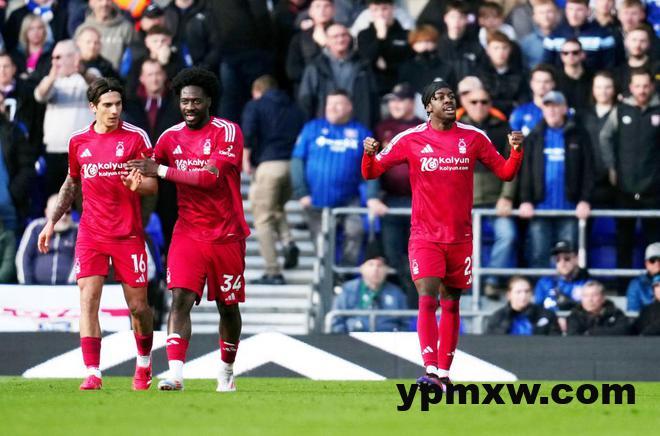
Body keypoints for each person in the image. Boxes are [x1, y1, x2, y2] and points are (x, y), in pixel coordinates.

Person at [362, 79, 524, 389]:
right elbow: (371, 172)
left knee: (451, 304)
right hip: (425, 236)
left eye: (451, 96)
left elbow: (505, 172)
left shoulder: (474, 137)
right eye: (440, 97)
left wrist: (516, 152)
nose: (448, 101)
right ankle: (431, 369)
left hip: (460, 237)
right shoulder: (410, 139)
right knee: (427, 298)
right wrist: (369, 154)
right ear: (428, 107)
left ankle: (444, 375)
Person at [127, 67, 249, 392]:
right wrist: (135, 181)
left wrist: (160, 170)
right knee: (179, 297)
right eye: (184, 101)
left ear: (209, 100)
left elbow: (209, 178)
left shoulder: (228, 132)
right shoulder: (169, 137)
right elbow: (148, 172)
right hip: (188, 232)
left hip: (226, 233)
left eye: (196, 101)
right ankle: (176, 374)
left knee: (228, 306)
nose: (190, 107)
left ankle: (226, 369)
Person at [37, 77, 157, 391]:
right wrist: (52, 222)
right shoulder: (78, 141)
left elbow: (152, 184)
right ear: (93, 107)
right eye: (107, 105)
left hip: (128, 234)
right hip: (91, 234)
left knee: (138, 307)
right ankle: (93, 372)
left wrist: (137, 185)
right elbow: (71, 182)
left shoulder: (135, 137)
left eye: (118, 104)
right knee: (88, 300)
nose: (114, 110)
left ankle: (144, 362)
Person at [292, 89, 370, 266]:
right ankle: (328, 275)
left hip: (350, 199)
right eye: (329, 104)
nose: (332, 108)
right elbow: (297, 161)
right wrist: (301, 192)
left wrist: (371, 196)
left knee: (355, 232)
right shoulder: (312, 128)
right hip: (316, 201)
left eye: (338, 104)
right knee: (323, 245)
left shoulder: (362, 133)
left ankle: (345, 273)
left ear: (349, 107)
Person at [518, 90, 593, 268]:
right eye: (548, 106)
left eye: (556, 106)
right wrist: (525, 200)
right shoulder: (534, 136)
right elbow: (525, 172)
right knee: (539, 255)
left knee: (568, 258)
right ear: (543, 109)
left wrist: (585, 200)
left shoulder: (579, 135)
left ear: (565, 109)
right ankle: (540, 287)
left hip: (570, 209)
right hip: (540, 209)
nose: (552, 110)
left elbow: (588, 171)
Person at [242, 75, 305, 285]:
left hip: (268, 165)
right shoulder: (295, 108)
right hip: (293, 166)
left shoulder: (256, 105)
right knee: (275, 208)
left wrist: (245, 159)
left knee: (262, 218)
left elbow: (248, 133)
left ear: (257, 90)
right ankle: (288, 242)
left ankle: (272, 271)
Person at [367, 83, 422, 308]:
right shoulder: (382, 128)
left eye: (400, 100)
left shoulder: (424, 128)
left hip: (420, 201)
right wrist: (372, 196)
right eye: (392, 100)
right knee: (392, 252)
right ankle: (408, 299)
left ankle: (417, 301)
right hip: (390, 200)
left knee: (418, 253)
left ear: (411, 102)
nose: (395, 105)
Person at [458, 87, 518, 297]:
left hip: (495, 201)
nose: (479, 106)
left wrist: (506, 197)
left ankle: (491, 280)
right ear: (465, 104)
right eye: (474, 102)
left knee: (508, 235)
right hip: (463, 202)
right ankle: (464, 283)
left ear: (490, 104)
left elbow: (512, 166)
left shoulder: (504, 129)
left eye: (484, 101)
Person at [599, 68, 660, 270]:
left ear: (652, 86)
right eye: (638, 86)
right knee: (623, 242)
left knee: (655, 245)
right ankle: (622, 284)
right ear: (631, 87)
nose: (642, 90)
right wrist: (611, 167)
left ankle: (656, 285)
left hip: (654, 191)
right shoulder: (620, 110)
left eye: (646, 86)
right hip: (624, 189)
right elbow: (605, 137)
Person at [34, 39, 94, 197]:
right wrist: (52, 77)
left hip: (84, 152)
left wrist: (82, 72)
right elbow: (40, 95)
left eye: (59, 57)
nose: (54, 61)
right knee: (57, 199)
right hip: (55, 151)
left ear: (75, 57)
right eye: (53, 57)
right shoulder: (52, 80)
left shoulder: (88, 75)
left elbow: (100, 89)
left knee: (84, 200)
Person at [298, 23, 379, 128]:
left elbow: (373, 97)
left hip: (358, 126)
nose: (340, 39)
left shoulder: (363, 65)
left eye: (344, 35)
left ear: (349, 38)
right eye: (335, 36)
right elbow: (306, 100)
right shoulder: (315, 66)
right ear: (327, 40)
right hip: (324, 127)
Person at [331, 241, 409, 333]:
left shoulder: (396, 293)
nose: (375, 269)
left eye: (380, 265)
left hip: (388, 339)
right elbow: (336, 322)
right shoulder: (349, 290)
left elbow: (405, 324)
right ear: (362, 268)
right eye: (371, 264)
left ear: (387, 270)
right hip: (353, 338)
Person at [16, 193, 77, 285]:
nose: (64, 216)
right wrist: (27, 286)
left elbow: (79, 261)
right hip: (34, 288)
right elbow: (23, 256)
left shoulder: (77, 231)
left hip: (68, 289)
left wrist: (70, 286)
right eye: (59, 212)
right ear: (47, 212)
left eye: (67, 212)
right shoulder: (35, 228)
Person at [356, 0, 411, 95]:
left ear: (392, 8)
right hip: (374, 89)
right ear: (370, 11)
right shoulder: (364, 35)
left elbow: (407, 61)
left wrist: (387, 65)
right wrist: (380, 38)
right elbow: (367, 59)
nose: (380, 13)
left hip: (401, 87)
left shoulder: (406, 34)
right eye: (375, 10)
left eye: (384, 9)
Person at [542, 0, 616, 71]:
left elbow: (609, 67)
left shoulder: (603, 36)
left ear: (588, 11)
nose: (574, 15)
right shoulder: (554, 36)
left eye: (579, 10)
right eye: (570, 9)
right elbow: (547, 66)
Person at [582, 71, 617, 208]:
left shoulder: (622, 113)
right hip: (586, 179)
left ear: (614, 89)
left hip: (614, 180)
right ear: (593, 89)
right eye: (599, 87)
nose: (603, 92)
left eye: (607, 87)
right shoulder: (583, 115)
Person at [486, 276, 560, 335]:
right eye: (518, 292)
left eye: (527, 291)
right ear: (509, 295)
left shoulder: (547, 315)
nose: (523, 296)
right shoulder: (498, 318)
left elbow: (555, 341)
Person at [76, 0, 137, 69]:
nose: (104, 3)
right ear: (91, 2)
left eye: (108, 0)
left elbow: (136, 55)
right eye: (100, 0)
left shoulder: (126, 28)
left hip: (116, 74)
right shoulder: (82, 29)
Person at [534, 240, 590, 311]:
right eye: (557, 259)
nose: (562, 263)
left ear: (576, 259)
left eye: (567, 258)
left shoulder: (586, 284)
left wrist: (571, 304)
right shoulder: (544, 283)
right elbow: (537, 310)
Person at [566, 280, 631, 335]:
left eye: (594, 295)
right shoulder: (576, 315)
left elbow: (623, 331)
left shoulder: (615, 313)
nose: (590, 299)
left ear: (603, 298)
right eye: (586, 296)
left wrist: (591, 333)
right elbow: (573, 335)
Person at [509, 63, 556, 137]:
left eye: (546, 82)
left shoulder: (562, 112)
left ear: (553, 84)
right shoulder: (519, 112)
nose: (542, 85)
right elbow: (512, 141)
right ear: (531, 84)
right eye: (538, 81)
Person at [519, 0, 559, 69]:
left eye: (549, 12)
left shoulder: (565, 38)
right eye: (541, 13)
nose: (546, 16)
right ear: (535, 17)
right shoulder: (527, 42)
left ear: (556, 14)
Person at [555, 38, 592, 111]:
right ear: (561, 56)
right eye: (565, 53)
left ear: (583, 54)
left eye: (575, 52)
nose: (570, 55)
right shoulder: (554, 78)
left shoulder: (593, 78)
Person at [627, 242, 660, 311]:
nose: (657, 263)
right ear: (646, 263)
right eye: (652, 260)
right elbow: (633, 312)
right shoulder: (636, 285)